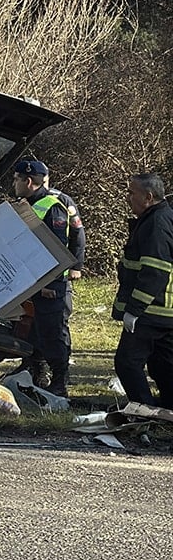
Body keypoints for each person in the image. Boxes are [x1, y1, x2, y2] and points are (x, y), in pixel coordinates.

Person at [11, 159, 80, 397]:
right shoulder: (26, 204)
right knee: (33, 331)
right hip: (31, 281)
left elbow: (57, 248)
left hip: (49, 284)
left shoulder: (53, 206)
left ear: (28, 181)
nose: (14, 183)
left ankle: (60, 382)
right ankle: (35, 372)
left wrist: (50, 284)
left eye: (17, 179)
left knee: (52, 333)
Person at [112, 173, 173, 407]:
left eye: (131, 193)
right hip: (163, 311)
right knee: (163, 366)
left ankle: (143, 411)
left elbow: (155, 270)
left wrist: (134, 310)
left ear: (148, 197)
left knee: (127, 362)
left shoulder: (156, 224)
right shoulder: (159, 218)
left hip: (151, 311)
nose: (128, 198)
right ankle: (167, 411)